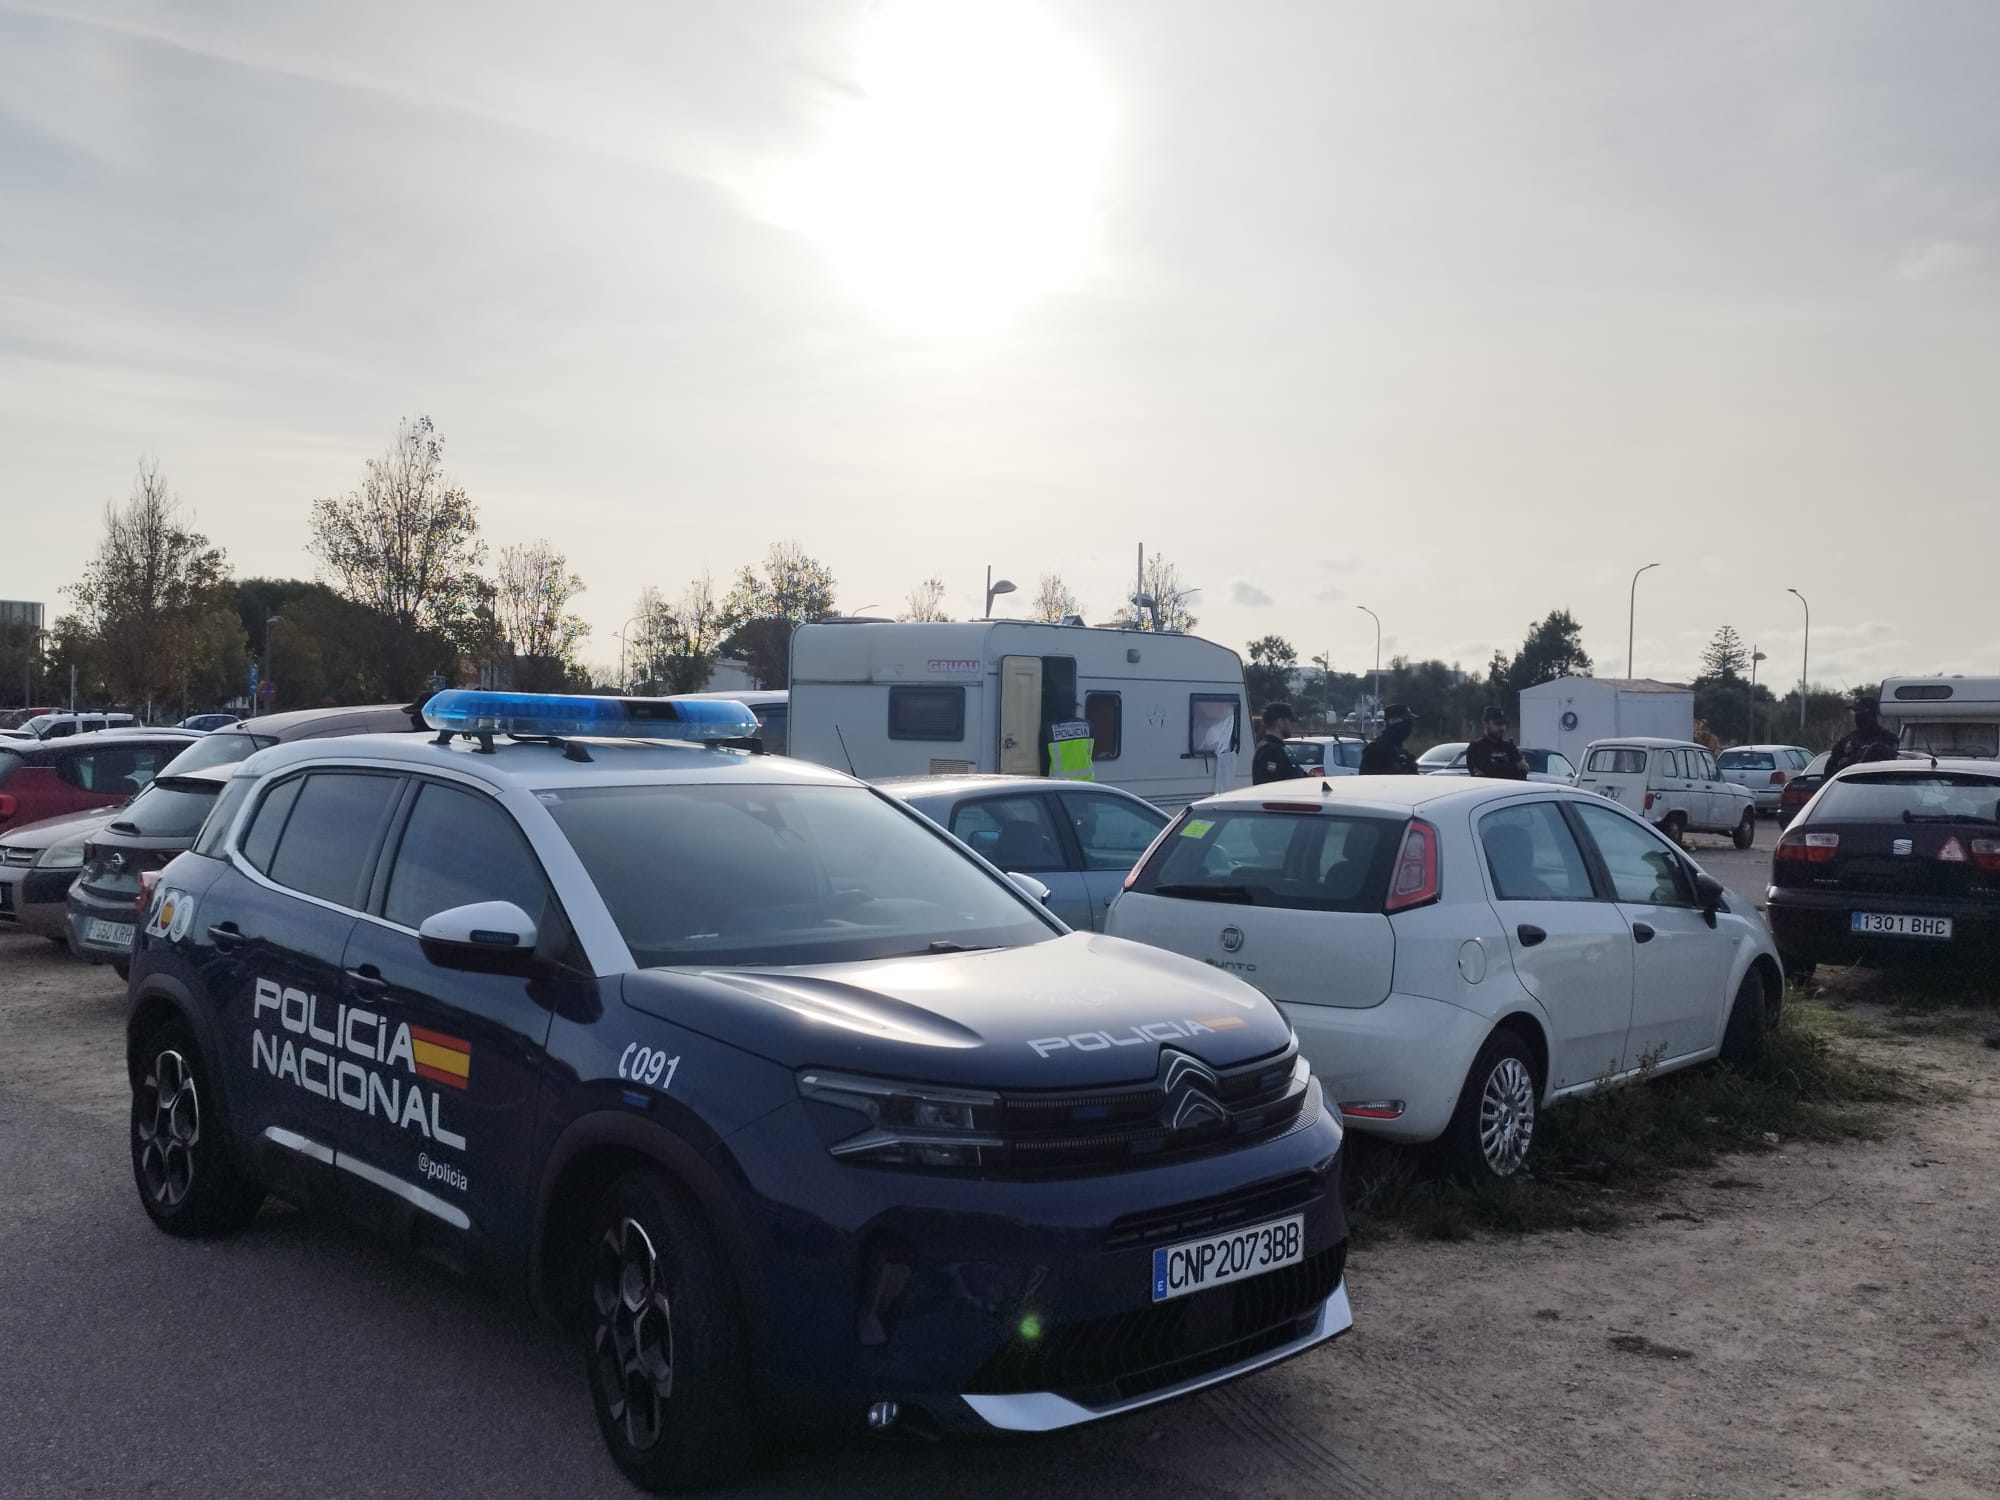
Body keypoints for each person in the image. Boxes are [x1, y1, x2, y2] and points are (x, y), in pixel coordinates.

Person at [1824, 694, 1899, 777]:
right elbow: (1830, 772)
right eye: (1855, 712)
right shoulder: (1846, 741)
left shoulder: (1888, 739)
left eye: (1860, 711)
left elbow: (1890, 767)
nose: (1857, 716)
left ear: (1871, 714)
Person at [1464, 707, 1529, 780]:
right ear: (1486, 724)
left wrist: (1496, 769)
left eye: (1503, 724)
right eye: (1497, 724)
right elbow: (1486, 770)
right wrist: (1514, 767)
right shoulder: (1476, 747)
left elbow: (1523, 772)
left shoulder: (1509, 747)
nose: (1501, 728)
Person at [1251, 702, 1306, 784]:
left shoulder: (1276, 748)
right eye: (1290, 721)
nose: (1292, 725)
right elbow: (1269, 785)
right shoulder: (1270, 751)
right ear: (1280, 722)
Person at [1359, 704, 1419, 775]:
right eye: (1405, 721)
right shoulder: (1375, 750)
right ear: (1391, 721)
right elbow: (1368, 781)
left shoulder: (1402, 752)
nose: (1408, 726)